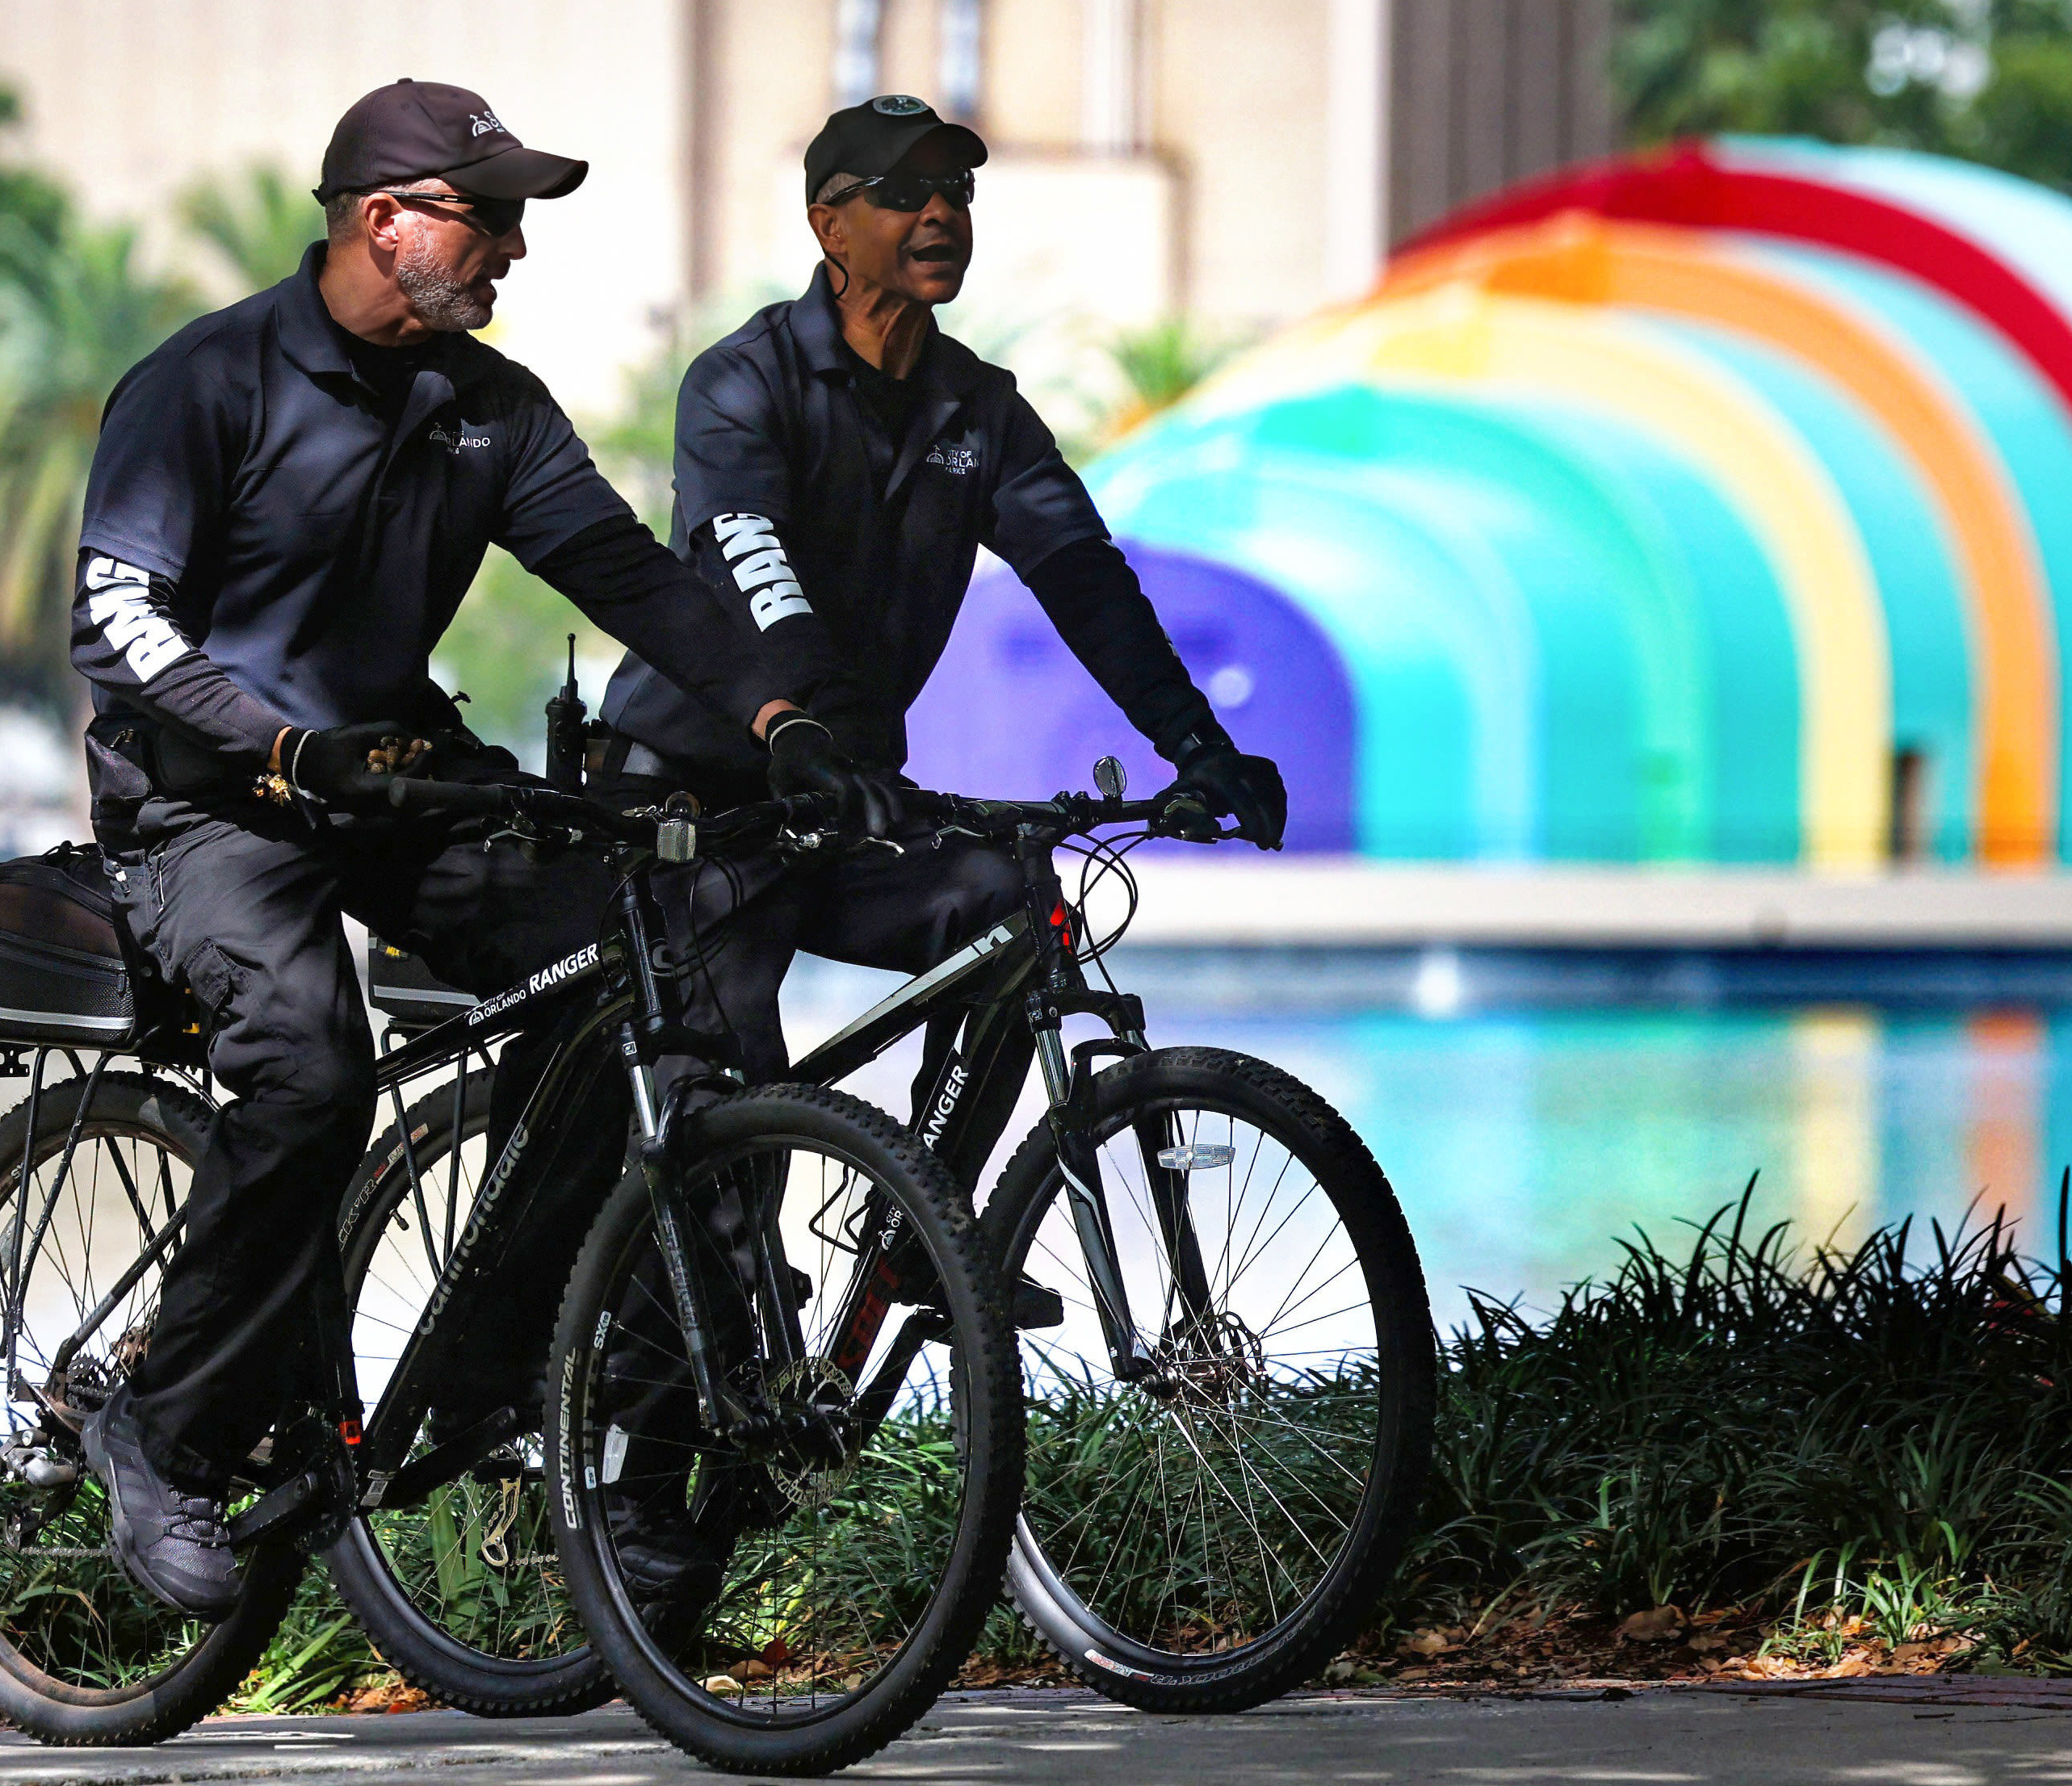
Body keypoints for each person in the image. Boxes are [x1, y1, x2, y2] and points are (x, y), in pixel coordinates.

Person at [65, 79, 887, 1619]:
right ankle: (158, 1430)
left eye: (517, 218)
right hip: (210, 804)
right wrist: (277, 741)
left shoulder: (487, 408)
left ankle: (494, 1356)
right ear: (386, 220)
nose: (512, 245)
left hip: (393, 782)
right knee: (308, 1069)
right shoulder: (206, 382)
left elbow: (636, 576)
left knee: (635, 965)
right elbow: (116, 617)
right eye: (486, 213)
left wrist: (782, 710)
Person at [591, 94, 1287, 1112]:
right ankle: (733, 1264)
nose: (940, 215)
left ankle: (922, 1251)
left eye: (955, 191)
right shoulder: (743, 382)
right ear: (828, 226)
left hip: (845, 800)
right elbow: (754, 561)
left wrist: (1194, 740)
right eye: (903, 193)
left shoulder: (981, 408)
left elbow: (1085, 579)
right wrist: (818, 727)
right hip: (689, 798)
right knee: (733, 1106)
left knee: (1016, 915)